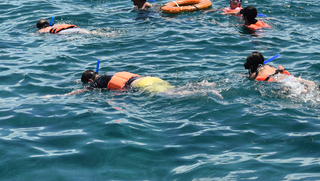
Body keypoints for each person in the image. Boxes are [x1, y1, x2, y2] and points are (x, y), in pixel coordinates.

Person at [51, 70, 221, 97]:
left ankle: (206, 92)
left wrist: (61, 95)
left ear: (90, 80)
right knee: (177, 89)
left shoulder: (96, 82)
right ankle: (206, 85)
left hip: (140, 86)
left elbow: (80, 92)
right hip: (149, 79)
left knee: (174, 95)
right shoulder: (108, 75)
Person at [244, 51, 315, 94]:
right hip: (284, 76)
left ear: (251, 66)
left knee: (293, 90)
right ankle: (309, 84)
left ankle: (305, 92)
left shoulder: (256, 73)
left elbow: (250, 78)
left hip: (278, 81)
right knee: (298, 81)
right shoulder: (269, 66)